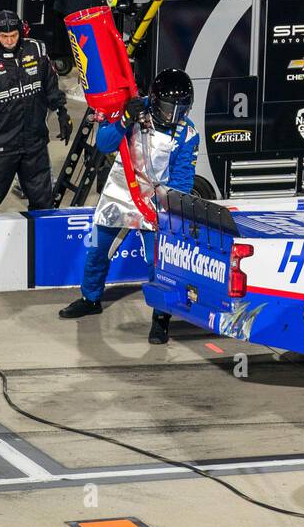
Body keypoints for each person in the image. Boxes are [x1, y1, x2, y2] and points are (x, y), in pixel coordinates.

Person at [57, 70, 198, 344]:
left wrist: (170, 208)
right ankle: (90, 298)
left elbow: (182, 179)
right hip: (118, 193)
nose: (173, 116)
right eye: (169, 109)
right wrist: (123, 120)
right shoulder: (132, 107)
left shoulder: (189, 134)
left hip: (155, 202)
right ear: (155, 101)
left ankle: (161, 317)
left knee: (158, 263)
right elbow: (104, 142)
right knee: (97, 249)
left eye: (181, 110)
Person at [0, 10, 71, 213]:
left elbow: (51, 86)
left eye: (14, 35)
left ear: (21, 32)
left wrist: (62, 112)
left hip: (35, 144)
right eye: (4, 36)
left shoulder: (37, 50)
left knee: (43, 201)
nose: (9, 40)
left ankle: (41, 243)